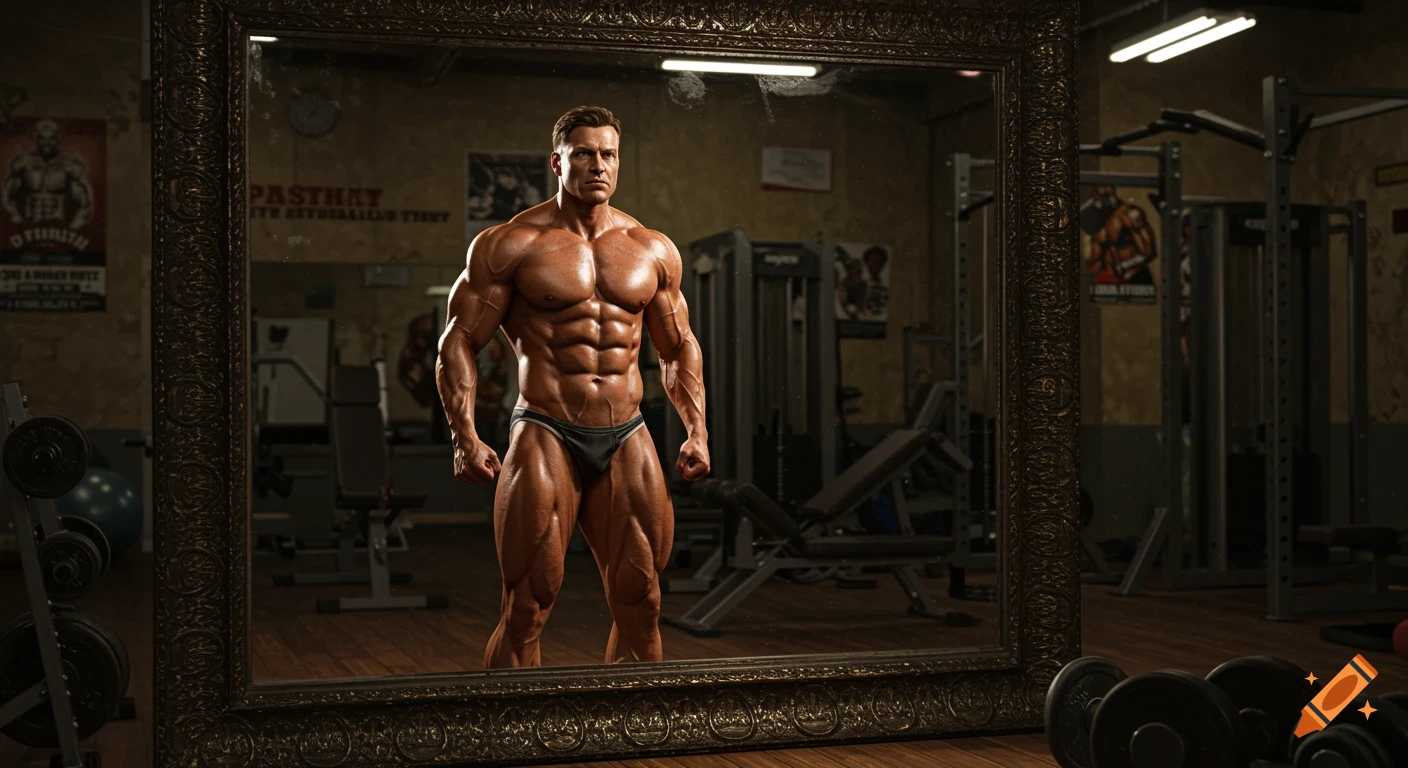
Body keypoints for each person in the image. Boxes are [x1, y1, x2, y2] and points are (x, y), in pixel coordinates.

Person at [436, 105, 710, 668]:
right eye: (584, 154)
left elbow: (678, 346)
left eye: (608, 154)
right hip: (546, 429)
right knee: (528, 605)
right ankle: (507, 737)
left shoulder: (652, 249)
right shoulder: (511, 244)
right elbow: (457, 341)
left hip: (627, 431)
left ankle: (631, 734)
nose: (598, 165)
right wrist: (464, 437)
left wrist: (697, 431)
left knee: (643, 602)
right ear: (557, 162)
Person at [3, 118, 95, 229]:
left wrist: (74, 226)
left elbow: (85, 203)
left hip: (60, 226)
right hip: (28, 225)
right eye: (43, 138)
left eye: (51, 139)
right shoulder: (22, 163)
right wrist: (15, 216)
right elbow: (6, 196)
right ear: (36, 139)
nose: (47, 143)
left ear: (57, 139)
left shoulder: (70, 166)